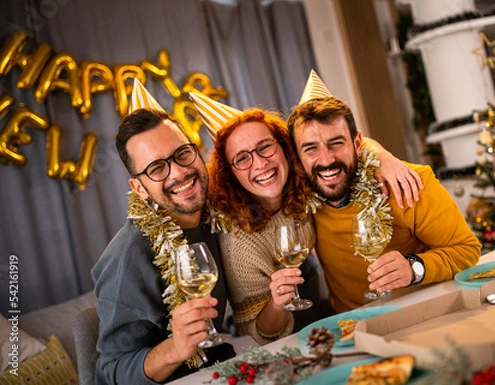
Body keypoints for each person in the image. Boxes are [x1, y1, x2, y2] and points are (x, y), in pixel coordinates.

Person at [199, 102, 422, 345]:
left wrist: (383, 157)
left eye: (265, 147)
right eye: (242, 158)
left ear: (285, 148)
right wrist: (277, 303)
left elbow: (340, 142)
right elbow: (261, 334)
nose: (260, 163)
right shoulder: (239, 245)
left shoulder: (301, 180)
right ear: (230, 173)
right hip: (291, 340)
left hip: (330, 313)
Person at [287, 96, 482, 313]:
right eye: (311, 148)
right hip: (351, 326)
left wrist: (414, 268)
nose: (326, 159)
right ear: (297, 157)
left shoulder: (408, 182)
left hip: (426, 313)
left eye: (336, 143)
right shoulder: (299, 198)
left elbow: (467, 250)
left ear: (357, 144)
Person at [91, 109, 234, 385]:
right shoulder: (128, 257)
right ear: (139, 188)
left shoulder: (218, 215)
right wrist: (175, 349)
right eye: (157, 168)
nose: (180, 172)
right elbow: (109, 374)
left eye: (182, 154)